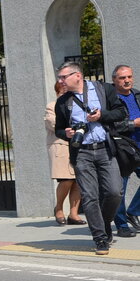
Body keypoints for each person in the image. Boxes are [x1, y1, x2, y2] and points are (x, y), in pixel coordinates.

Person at [53, 61, 126, 255]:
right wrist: (66, 133)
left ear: (77, 75)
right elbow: (58, 129)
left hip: (105, 149)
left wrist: (102, 116)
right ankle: (100, 237)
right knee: (90, 196)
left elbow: (121, 112)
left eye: (63, 77)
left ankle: (103, 222)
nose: (60, 81)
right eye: (59, 77)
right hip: (82, 153)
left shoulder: (104, 90)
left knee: (114, 192)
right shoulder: (63, 102)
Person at [45, 82, 84, 226]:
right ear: (58, 92)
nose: (67, 92)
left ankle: (73, 214)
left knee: (79, 181)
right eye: (63, 90)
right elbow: (53, 124)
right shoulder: (52, 106)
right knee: (66, 180)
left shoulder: (78, 104)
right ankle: (59, 207)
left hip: (78, 146)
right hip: (60, 146)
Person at [110, 65, 140, 237]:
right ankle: (121, 225)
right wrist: (132, 124)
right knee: (119, 189)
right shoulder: (110, 99)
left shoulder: (136, 94)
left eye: (129, 76)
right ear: (114, 80)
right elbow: (110, 125)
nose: (127, 80)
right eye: (122, 78)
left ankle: (133, 211)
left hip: (139, 146)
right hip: (122, 149)